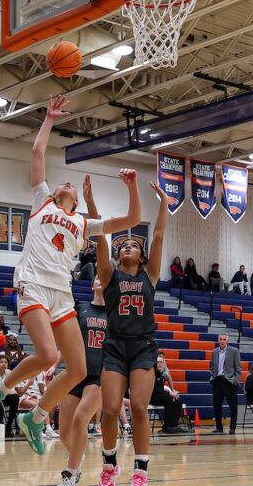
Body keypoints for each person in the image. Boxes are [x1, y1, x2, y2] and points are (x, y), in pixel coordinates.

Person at [0, 96, 142, 459]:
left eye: (69, 185)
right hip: (33, 283)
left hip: (62, 294)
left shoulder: (84, 223)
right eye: (61, 182)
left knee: (78, 368)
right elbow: (37, 153)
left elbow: (130, 220)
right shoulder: (42, 202)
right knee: (48, 355)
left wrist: (131, 185)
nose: (65, 182)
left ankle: (35, 418)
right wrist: (49, 117)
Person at [97, 180, 167, 486]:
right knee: (110, 410)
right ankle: (110, 462)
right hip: (114, 346)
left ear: (142, 256)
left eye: (135, 245)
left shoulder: (150, 276)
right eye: (123, 244)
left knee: (139, 406)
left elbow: (161, 234)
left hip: (142, 347)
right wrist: (90, 201)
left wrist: (164, 202)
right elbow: (98, 235)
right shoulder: (108, 275)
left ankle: (140, 471)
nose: (128, 245)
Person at [58, 274, 108, 486]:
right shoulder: (81, 308)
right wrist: (55, 364)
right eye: (96, 278)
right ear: (92, 284)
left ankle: (71, 472)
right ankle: (78, 459)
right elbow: (70, 341)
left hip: (100, 375)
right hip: (76, 371)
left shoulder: (114, 313)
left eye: (103, 278)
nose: (100, 280)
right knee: (64, 434)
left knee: (80, 419)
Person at [209, 333, 242, 435]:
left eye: (224, 339)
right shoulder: (214, 352)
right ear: (218, 340)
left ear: (227, 341)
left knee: (233, 406)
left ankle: (232, 428)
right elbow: (212, 366)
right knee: (217, 405)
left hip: (229, 381)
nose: (222, 341)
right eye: (220, 339)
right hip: (217, 380)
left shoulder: (234, 351)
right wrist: (213, 375)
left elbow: (238, 368)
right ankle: (219, 427)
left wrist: (234, 380)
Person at [150, 355, 189, 434]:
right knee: (170, 399)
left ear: (164, 364)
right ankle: (167, 426)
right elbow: (155, 391)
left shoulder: (161, 375)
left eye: (161, 362)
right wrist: (170, 393)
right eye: (158, 362)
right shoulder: (152, 374)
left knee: (178, 401)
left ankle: (173, 425)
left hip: (160, 396)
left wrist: (172, 391)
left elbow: (161, 389)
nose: (159, 364)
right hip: (152, 397)